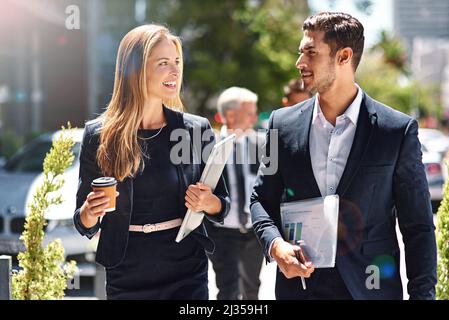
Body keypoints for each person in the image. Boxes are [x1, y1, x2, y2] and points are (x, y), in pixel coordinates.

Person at [250, 12, 437, 300]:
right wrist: (275, 244)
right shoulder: (281, 125)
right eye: (301, 52)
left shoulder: (396, 131)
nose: (300, 63)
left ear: (344, 56)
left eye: (311, 53)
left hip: (371, 288)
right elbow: (261, 199)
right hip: (299, 288)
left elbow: (418, 227)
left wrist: (422, 296)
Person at [73, 24, 230, 300]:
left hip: (186, 269)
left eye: (177, 62)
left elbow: (222, 204)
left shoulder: (195, 130)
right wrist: (89, 211)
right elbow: (83, 222)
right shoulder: (98, 135)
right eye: (163, 63)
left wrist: (208, 203)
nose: (175, 71)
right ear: (136, 70)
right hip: (126, 271)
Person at [205, 87, 265, 300]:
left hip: (252, 232)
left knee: (252, 288)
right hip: (221, 233)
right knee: (228, 290)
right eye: (250, 113)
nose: (255, 118)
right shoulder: (209, 146)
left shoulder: (260, 144)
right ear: (230, 115)